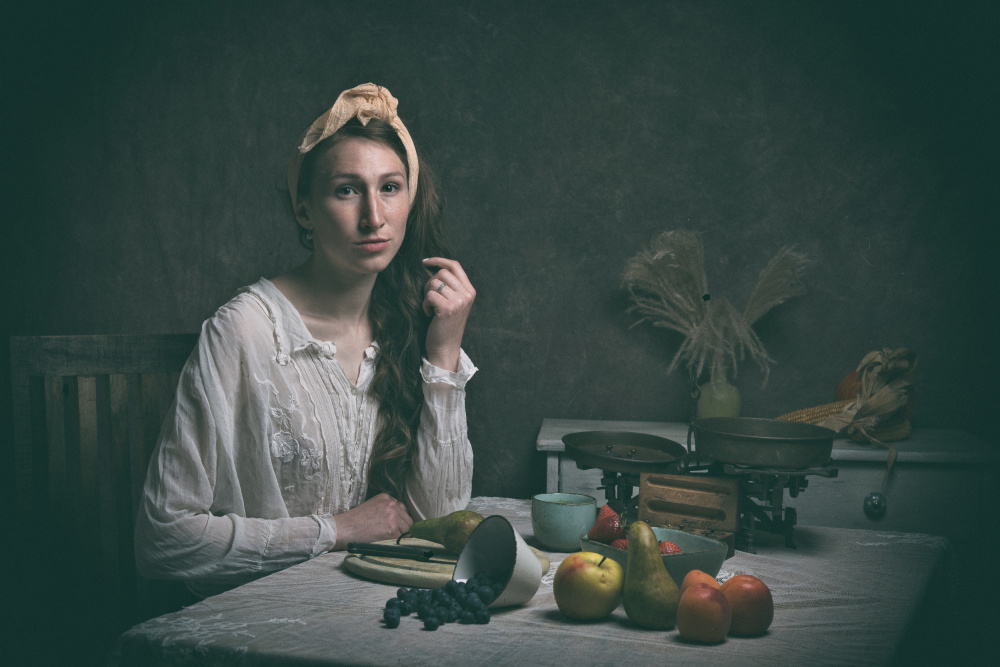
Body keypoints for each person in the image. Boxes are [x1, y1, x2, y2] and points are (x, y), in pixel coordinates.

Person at [134, 83, 477, 597]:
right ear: (303, 210)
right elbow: (162, 539)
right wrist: (337, 529)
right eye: (346, 189)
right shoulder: (245, 330)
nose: (374, 217)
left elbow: (442, 521)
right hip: (255, 622)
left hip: (364, 615)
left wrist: (444, 355)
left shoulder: (404, 328)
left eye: (390, 187)